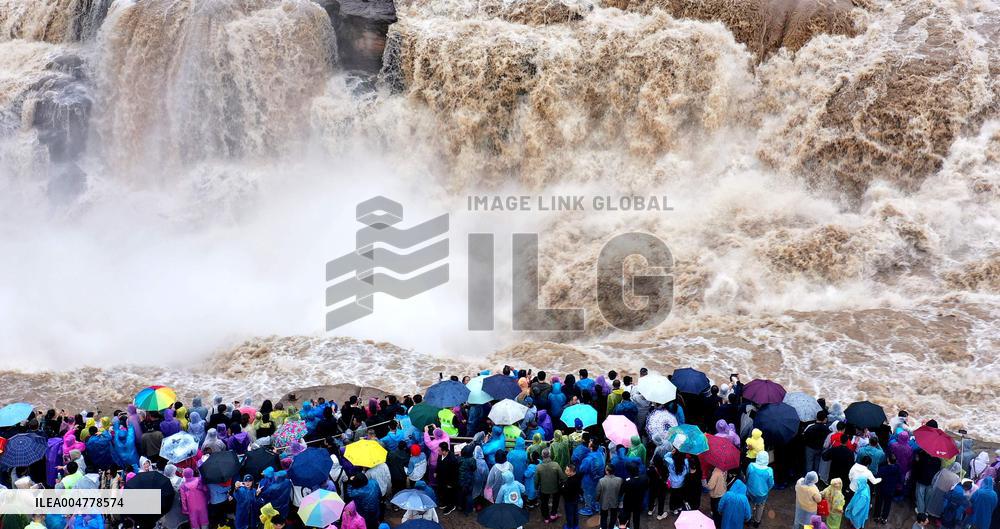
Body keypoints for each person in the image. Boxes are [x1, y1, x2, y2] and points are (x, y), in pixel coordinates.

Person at [747, 452, 775, 528]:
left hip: (750, 491)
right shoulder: (769, 470)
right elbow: (771, 483)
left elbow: (747, 476)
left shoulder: (751, 466)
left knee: (750, 503)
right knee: (760, 506)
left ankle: (748, 519)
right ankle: (757, 521)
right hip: (762, 494)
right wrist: (767, 490)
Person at [873, 453, 901, 524]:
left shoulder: (883, 469)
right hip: (891, 490)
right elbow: (899, 479)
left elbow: (877, 477)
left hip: (881, 489)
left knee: (879, 502)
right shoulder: (897, 469)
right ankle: (884, 518)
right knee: (887, 504)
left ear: (888, 460)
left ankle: (877, 516)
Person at [621, 463, 647, 529]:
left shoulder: (627, 481)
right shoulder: (644, 478)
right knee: (636, 517)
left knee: (627, 517)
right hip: (638, 502)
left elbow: (622, 491)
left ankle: (627, 527)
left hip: (628, 502)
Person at [563, 464, 582, 529]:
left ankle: (570, 526)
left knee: (569, 514)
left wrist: (562, 487)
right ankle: (576, 525)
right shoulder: (578, 477)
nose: (565, 471)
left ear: (571, 472)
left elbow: (565, 491)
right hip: (576, 499)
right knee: (575, 512)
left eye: (567, 470)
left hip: (569, 501)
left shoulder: (569, 481)